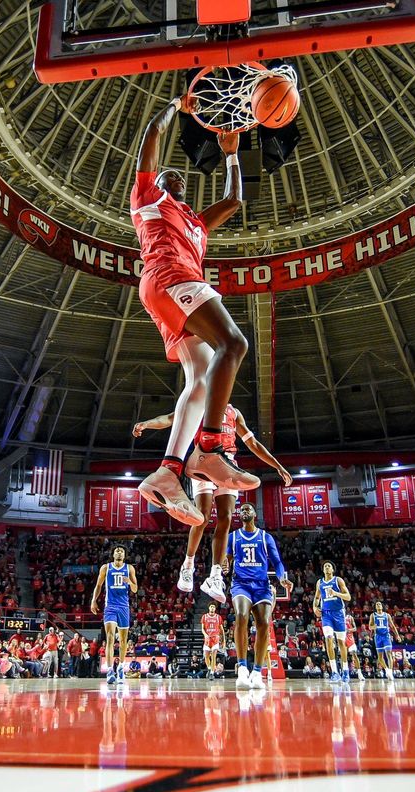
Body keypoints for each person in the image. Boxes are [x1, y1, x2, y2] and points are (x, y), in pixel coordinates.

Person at [129, 95, 258, 526]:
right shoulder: (147, 196)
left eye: (179, 174)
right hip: (170, 278)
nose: (176, 175)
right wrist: (175, 105)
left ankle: (167, 472)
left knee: (201, 380)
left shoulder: (196, 223)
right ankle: (209, 448)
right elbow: (153, 134)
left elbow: (235, 201)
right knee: (234, 343)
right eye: (170, 173)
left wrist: (232, 156)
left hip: (172, 291)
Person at [133, 406, 291, 602]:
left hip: (227, 463)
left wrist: (277, 465)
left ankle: (215, 574)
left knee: (225, 517)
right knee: (202, 516)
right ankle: (188, 565)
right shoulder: (201, 405)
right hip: (204, 461)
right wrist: (146, 424)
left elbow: (254, 444)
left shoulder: (235, 412)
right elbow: (171, 418)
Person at [227, 503, 291, 690]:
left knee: (263, 622)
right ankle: (242, 668)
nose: (244, 511)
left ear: (255, 513)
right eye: (242, 510)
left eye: (248, 509)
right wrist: (224, 564)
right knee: (241, 616)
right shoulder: (233, 537)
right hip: (241, 584)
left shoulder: (265, 537)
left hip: (262, 586)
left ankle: (257, 671)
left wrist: (282, 578)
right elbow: (226, 558)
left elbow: (277, 561)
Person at [90, 546, 138, 685]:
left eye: (121, 551)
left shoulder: (129, 569)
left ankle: (121, 668)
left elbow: (135, 589)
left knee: (123, 641)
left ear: (124, 555)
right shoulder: (106, 568)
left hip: (124, 607)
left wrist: (129, 582)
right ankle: (110, 670)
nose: (118, 552)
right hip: (110, 606)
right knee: (110, 637)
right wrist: (94, 600)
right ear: (113, 554)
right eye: (116, 550)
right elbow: (98, 585)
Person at [314, 560, 352, 682]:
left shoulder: (338, 580)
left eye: (329, 566)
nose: (326, 567)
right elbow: (316, 597)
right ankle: (334, 672)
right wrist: (315, 607)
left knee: (341, 643)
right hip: (326, 614)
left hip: (339, 613)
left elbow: (348, 597)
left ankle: (345, 670)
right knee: (328, 638)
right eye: (325, 566)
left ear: (332, 570)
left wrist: (336, 593)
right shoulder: (319, 582)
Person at [370, 600, 396, 680]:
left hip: (386, 636)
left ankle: (390, 672)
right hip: (378, 636)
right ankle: (386, 670)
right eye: (377, 604)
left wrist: (397, 635)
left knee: (389, 654)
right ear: (375, 607)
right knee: (380, 657)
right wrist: (372, 627)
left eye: (379, 604)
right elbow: (370, 626)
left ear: (382, 606)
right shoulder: (373, 615)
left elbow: (392, 626)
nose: (378, 605)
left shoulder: (387, 615)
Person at [201, 602, 224, 679]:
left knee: (214, 656)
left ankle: (212, 673)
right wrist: (205, 635)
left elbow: (222, 630)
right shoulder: (204, 617)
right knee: (206, 657)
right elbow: (202, 629)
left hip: (215, 638)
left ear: (215, 608)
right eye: (211, 607)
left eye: (213, 607)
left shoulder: (218, 617)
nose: (212, 608)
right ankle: (209, 668)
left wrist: (224, 640)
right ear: (209, 608)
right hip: (207, 639)